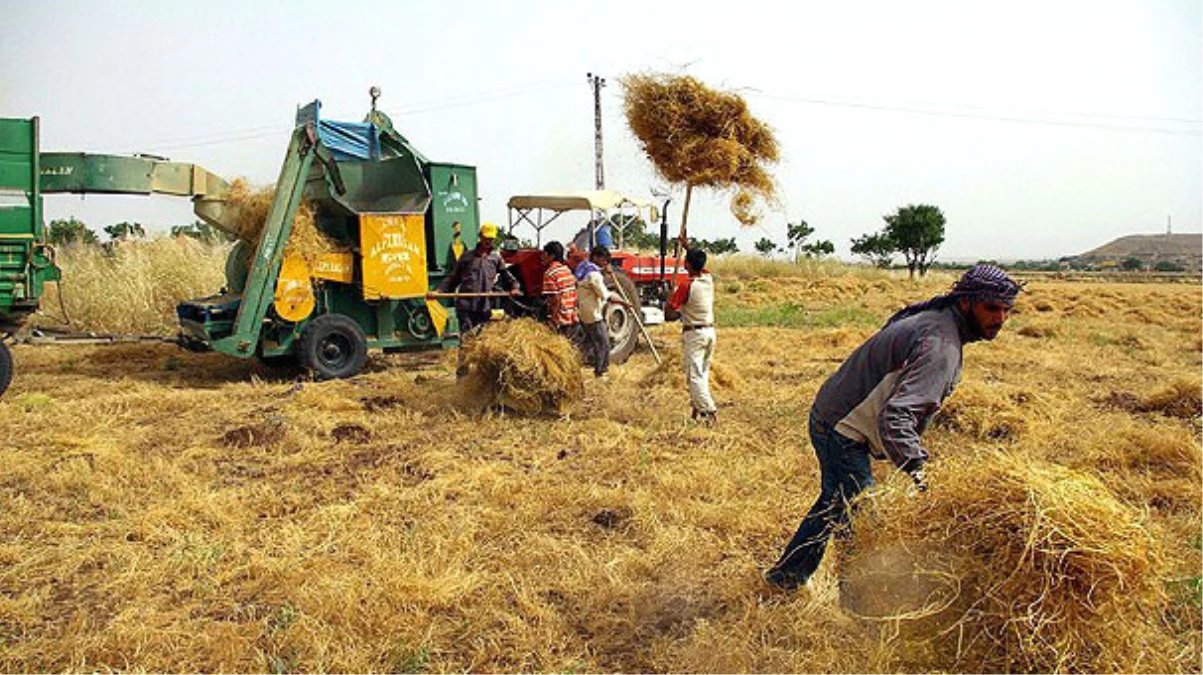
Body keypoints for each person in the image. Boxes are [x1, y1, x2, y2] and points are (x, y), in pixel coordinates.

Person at [764, 264, 1023, 591]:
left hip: (833, 412)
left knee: (835, 503)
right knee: (861, 521)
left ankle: (785, 578)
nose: (999, 319)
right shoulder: (941, 345)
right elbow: (896, 417)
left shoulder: (938, 321)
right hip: (842, 428)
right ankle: (859, 603)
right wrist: (920, 471)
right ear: (966, 303)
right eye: (991, 308)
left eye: (1006, 310)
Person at [434, 222, 519, 373]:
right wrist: (439, 291)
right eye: (486, 238)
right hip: (466, 306)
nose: (489, 242)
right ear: (480, 237)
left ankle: (480, 376)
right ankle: (462, 378)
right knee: (467, 341)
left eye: (491, 239)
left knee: (483, 343)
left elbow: (509, 277)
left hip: (484, 307)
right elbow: (453, 279)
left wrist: (515, 287)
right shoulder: (467, 257)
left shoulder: (496, 258)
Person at [665, 248, 717, 424]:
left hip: (694, 334)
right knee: (702, 374)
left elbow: (669, 315)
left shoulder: (687, 286)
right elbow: (699, 264)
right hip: (710, 332)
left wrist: (669, 299)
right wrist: (686, 245)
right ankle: (697, 411)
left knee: (694, 376)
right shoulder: (708, 280)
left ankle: (709, 411)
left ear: (686, 264)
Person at [574, 245, 630, 377]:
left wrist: (605, 272)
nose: (606, 263)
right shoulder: (594, 275)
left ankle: (580, 364)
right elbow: (607, 296)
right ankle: (601, 371)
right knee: (603, 344)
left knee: (588, 342)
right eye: (604, 260)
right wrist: (624, 303)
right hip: (594, 314)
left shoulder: (583, 269)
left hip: (584, 312)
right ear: (595, 257)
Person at [540, 241, 579, 338]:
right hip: (572, 314)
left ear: (552, 256)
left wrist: (553, 320)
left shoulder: (550, 274)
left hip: (561, 318)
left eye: (544, 254)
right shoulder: (566, 270)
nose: (541, 257)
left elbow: (555, 298)